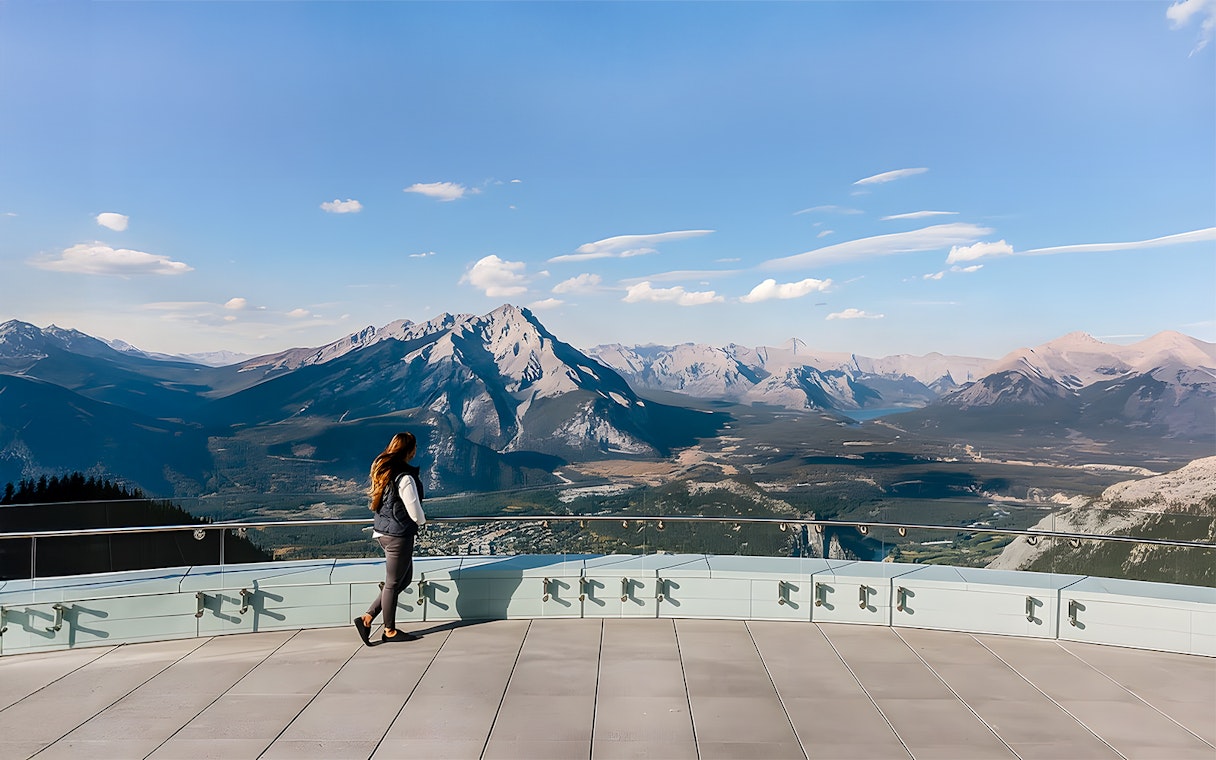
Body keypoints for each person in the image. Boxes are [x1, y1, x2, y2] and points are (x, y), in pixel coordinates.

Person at [354, 431, 426, 645]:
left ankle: (367, 618)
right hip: (398, 534)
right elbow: (414, 509)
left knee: (403, 579)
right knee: (394, 583)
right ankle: (389, 630)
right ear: (410, 451)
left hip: (384, 532)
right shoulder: (404, 477)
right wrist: (421, 521)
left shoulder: (386, 472)